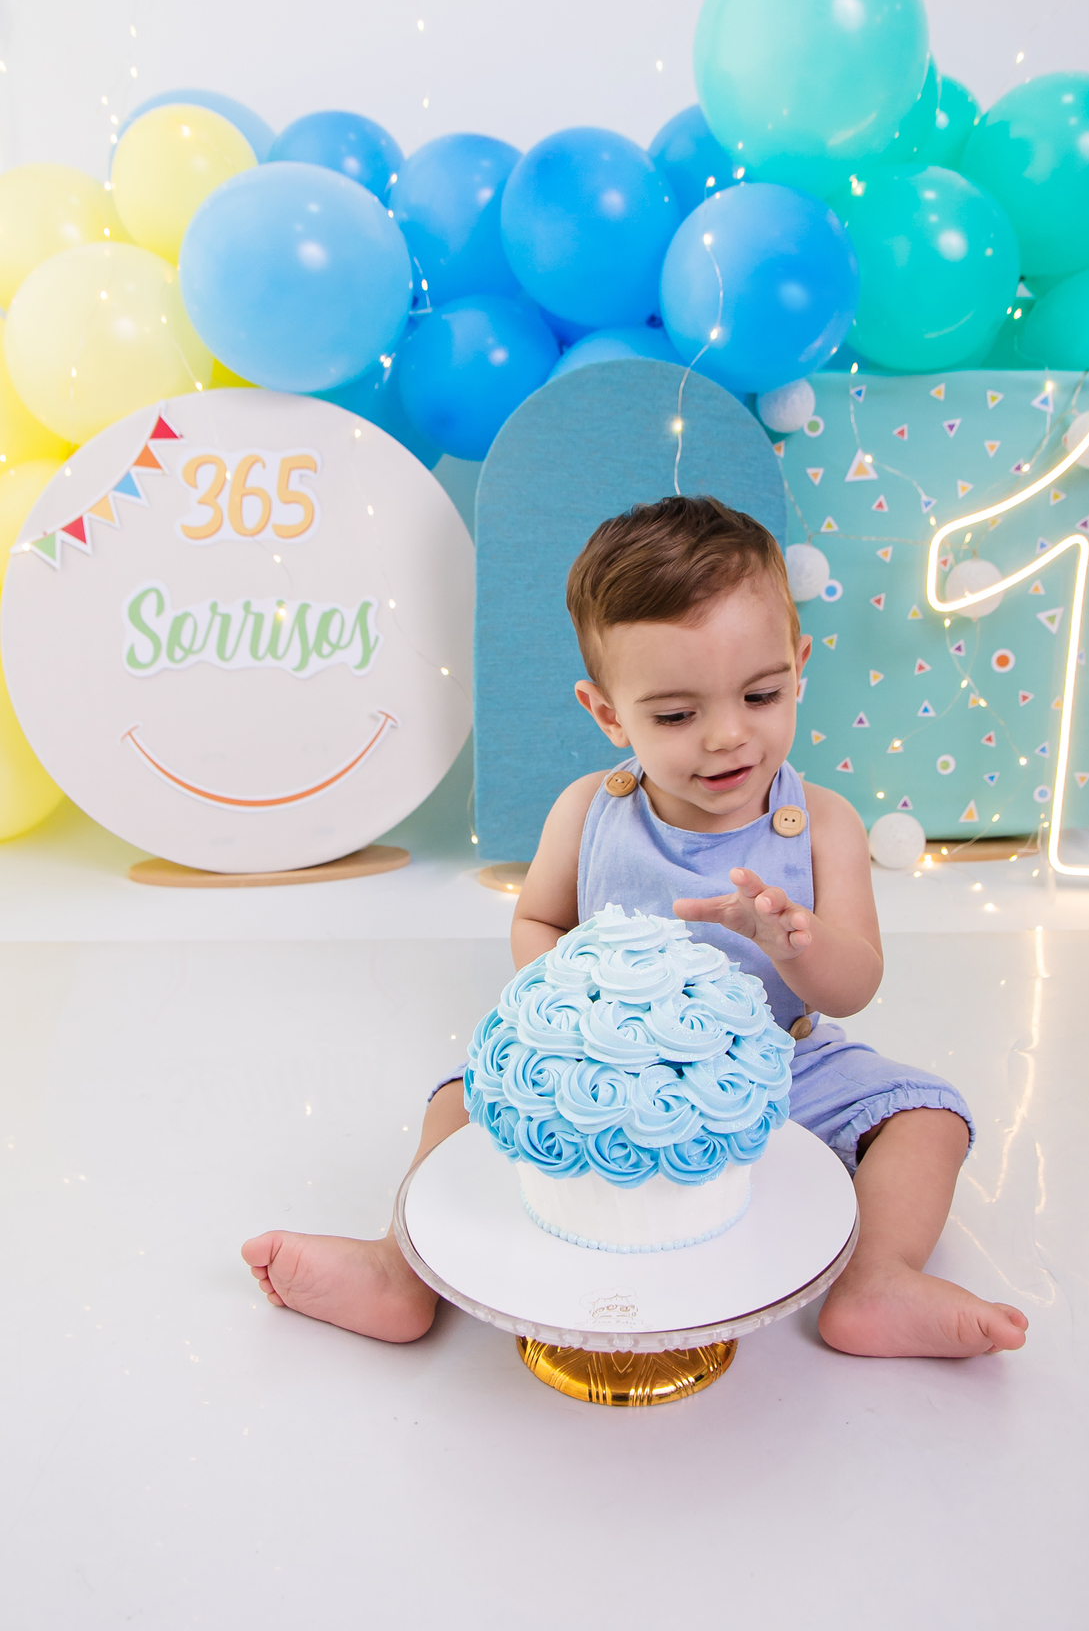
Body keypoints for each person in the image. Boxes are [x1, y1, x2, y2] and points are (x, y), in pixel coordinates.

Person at [243, 495, 1028, 1359]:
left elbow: (857, 987)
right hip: (608, 1064)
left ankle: (877, 1280)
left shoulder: (825, 823)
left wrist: (796, 945)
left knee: (927, 1118)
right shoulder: (591, 810)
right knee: (455, 1096)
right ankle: (401, 1271)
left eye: (761, 694)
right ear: (609, 712)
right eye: (677, 715)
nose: (727, 737)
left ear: (799, 667)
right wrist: (572, 995)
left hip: (782, 1059)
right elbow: (540, 919)